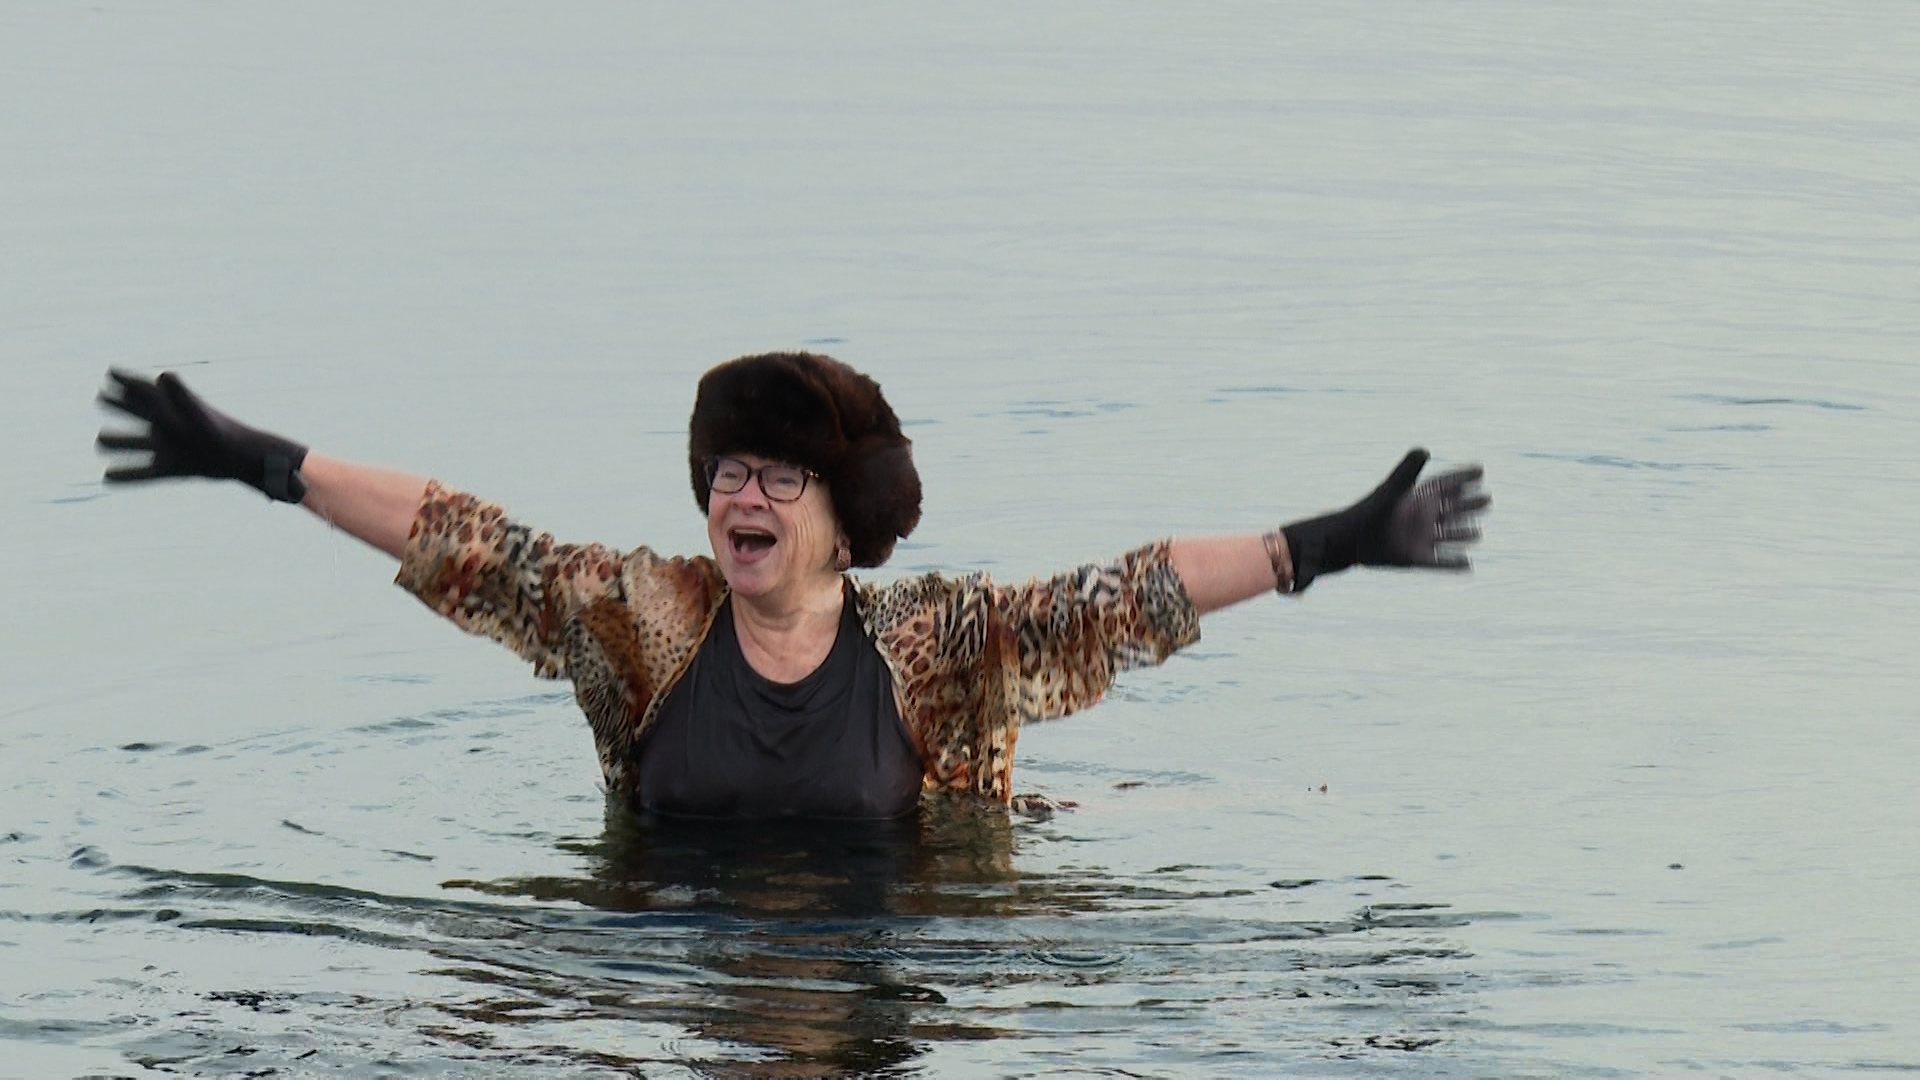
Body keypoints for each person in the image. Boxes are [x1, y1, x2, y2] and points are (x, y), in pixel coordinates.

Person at [94, 353, 1488, 820]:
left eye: (776, 477)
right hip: (681, 967)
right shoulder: (643, 621)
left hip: (903, 953)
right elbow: (472, 540)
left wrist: (1323, 544)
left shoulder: (942, 646)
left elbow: (1122, 596)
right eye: (725, 471)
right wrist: (262, 462)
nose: (739, 498)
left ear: (840, 521)